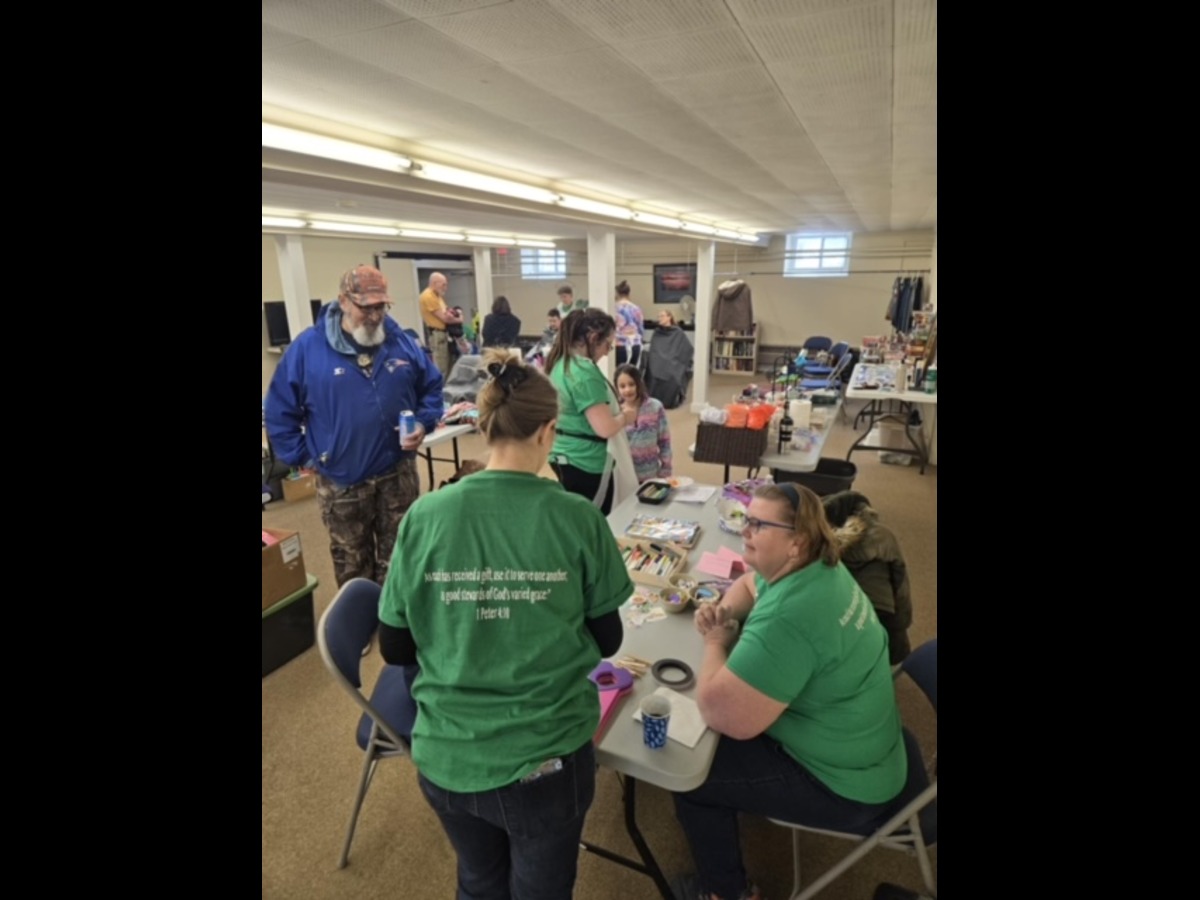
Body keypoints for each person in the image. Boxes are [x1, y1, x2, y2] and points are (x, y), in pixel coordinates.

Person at [377, 350, 631, 900]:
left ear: (486, 427)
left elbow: (395, 645)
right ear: (548, 431)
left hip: (446, 755)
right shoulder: (578, 517)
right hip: (544, 761)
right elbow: (609, 639)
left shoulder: (425, 514)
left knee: (478, 880)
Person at [675, 482, 908, 900]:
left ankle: (725, 892)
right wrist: (724, 612)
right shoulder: (817, 567)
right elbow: (749, 585)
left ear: (796, 542)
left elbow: (720, 712)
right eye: (746, 519)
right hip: (866, 747)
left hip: (847, 786)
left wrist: (715, 642)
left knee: (691, 774)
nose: (744, 530)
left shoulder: (791, 616)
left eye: (757, 525)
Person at [265, 264, 444, 586]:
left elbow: (431, 388)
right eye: (367, 307)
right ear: (344, 301)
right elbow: (279, 412)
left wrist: (423, 421)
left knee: (402, 554)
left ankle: (394, 627)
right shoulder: (307, 349)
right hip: (343, 480)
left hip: (397, 472)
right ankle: (359, 627)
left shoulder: (400, 341)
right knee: (352, 561)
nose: (376, 316)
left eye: (381, 306)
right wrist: (305, 457)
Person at [545, 308, 637, 515]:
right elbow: (604, 428)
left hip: (563, 453)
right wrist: (626, 416)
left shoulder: (561, 364)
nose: (607, 351)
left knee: (577, 516)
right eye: (607, 344)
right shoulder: (585, 373)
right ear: (593, 337)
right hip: (585, 461)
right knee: (595, 521)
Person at [615, 363, 672, 483]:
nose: (627, 390)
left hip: (652, 475)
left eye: (631, 384)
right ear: (617, 388)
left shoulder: (655, 407)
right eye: (622, 386)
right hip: (625, 476)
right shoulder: (615, 411)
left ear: (639, 383)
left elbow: (664, 441)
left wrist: (666, 469)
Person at [644, 310, 694, 409]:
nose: (660, 318)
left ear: (669, 317)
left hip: (672, 361)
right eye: (658, 316)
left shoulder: (678, 332)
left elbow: (688, 348)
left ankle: (669, 400)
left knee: (672, 374)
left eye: (662, 316)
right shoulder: (657, 332)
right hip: (657, 361)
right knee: (653, 371)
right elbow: (654, 348)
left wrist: (676, 359)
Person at [419, 271, 464, 376]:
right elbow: (445, 318)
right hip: (438, 336)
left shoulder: (437, 296)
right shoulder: (428, 296)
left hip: (445, 335)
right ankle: (440, 391)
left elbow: (447, 312)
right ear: (435, 283)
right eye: (444, 284)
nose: (446, 287)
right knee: (441, 369)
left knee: (450, 367)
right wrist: (460, 319)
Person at [613, 280, 644, 367]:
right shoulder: (636, 308)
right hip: (635, 345)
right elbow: (641, 329)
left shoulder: (614, 308)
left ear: (617, 294)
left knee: (619, 375)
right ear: (629, 293)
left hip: (620, 345)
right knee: (632, 375)